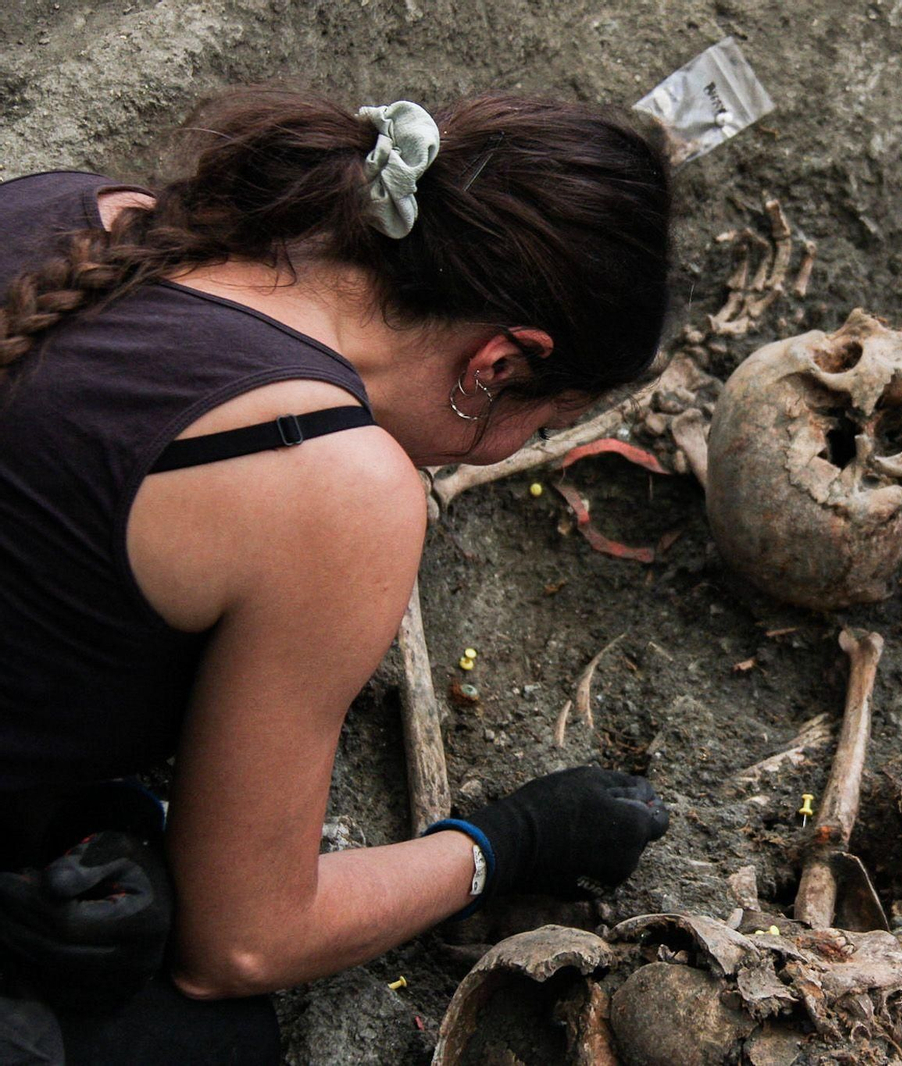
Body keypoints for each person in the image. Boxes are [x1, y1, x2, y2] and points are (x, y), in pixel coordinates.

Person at [0, 90, 674, 1063]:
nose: (515, 448)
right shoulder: (333, 479)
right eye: (545, 422)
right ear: (497, 363)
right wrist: (506, 842)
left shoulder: (85, 213)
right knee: (208, 1038)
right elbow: (241, 944)